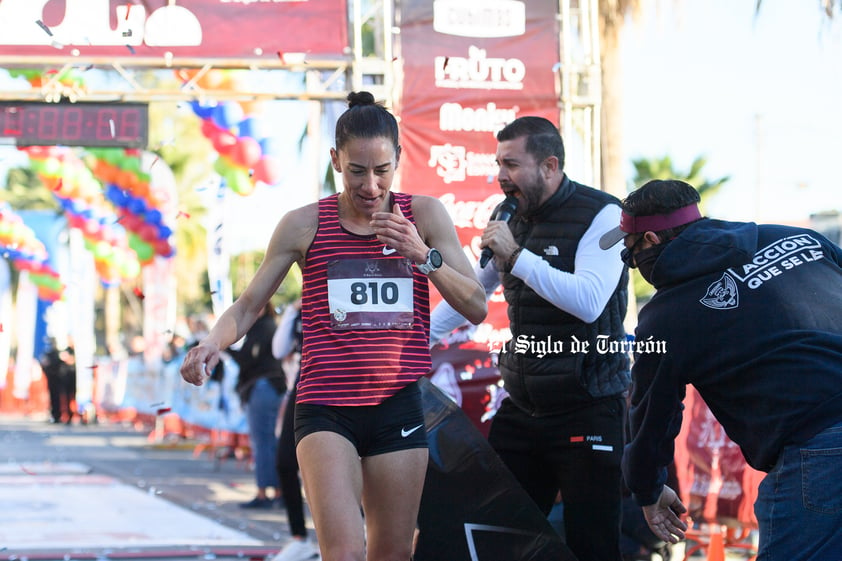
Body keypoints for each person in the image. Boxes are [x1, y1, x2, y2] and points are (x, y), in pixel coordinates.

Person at [180, 91, 487, 561]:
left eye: (382, 170)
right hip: (327, 407)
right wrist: (211, 343)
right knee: (342, 554)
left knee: (391, 555)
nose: (370, 185)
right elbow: (248, 305)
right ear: (335, 161)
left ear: (399, 159)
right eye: (357, 170)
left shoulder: (424, 216)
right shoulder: (303, 225)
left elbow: (476, 305)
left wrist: (423, 256)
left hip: (398, 406)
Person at [598, 179, 842, 560]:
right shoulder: (799, 239)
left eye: (629, 255)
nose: (632, 266)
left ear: (650, 241)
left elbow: (651, 416)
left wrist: (647, 489)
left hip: (819, 447)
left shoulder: (664, 317)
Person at [430, 116, 630, 561]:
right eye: (499, 164)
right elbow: (474, 291)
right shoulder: (506, 215)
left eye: (512, 164)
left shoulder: (606, 215)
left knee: (591, 547)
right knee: (496, 537)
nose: (501, 175)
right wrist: (415, 340)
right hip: (523, 407)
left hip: (588, 406)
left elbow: (589, 301)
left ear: (550, 166)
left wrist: (517, 256)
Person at [269, 300, 319, 561]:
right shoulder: (300, 309)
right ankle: (299, 537)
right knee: (285, 462)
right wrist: (291, 310)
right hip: (303, 387)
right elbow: (279, 350)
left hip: (343, 386)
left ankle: (354, 534)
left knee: (335, 469)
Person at [227, 301, 286, 509]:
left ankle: (265, 492)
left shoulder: (264, 327)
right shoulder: (267, 326)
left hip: (263, 386)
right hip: (268, 386)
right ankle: (276, 491)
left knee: (262, 442)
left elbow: (248, 359)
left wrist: (225, 346)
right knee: (268, 441)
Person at [39, 339, 76, 424]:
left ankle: (69, 415)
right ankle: (56, 415)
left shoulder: (68, 352)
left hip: (63, 379)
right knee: (55, 398)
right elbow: (45, 365)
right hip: (53, 379)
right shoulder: (50, 353)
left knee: (67, 397)